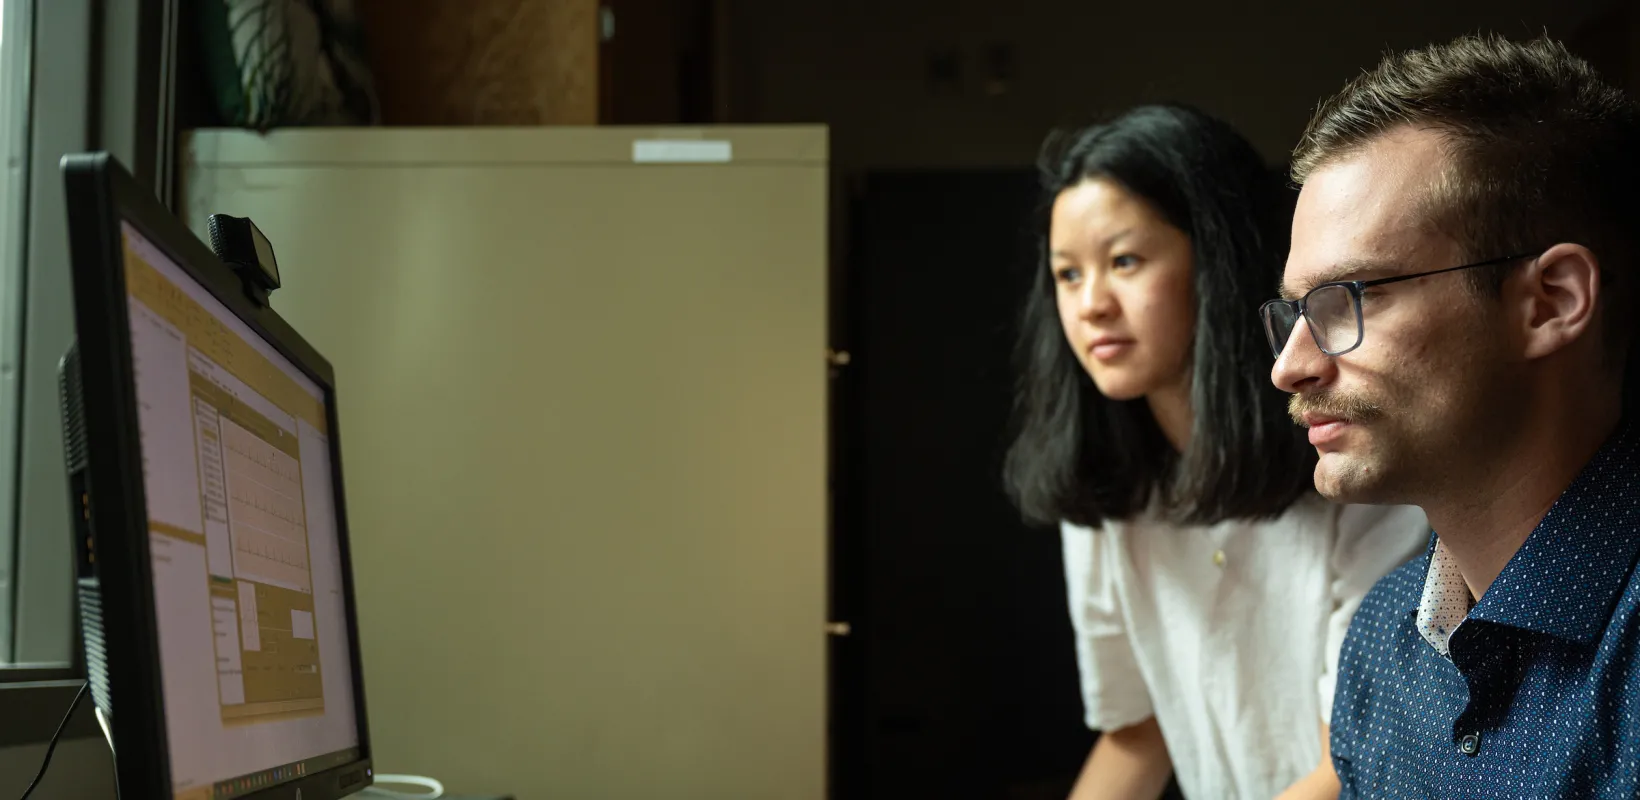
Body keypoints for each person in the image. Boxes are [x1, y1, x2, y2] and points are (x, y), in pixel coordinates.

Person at [1004, 104, 1429, 800]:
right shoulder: (1107, 495)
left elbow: (1348, 764)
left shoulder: (1350, 466)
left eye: (1123, 261)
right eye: (1068, 274)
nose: (1090, 304)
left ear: (1216, 261)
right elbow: (1137, 734)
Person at [1267, 34, 1640, 798]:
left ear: (1551, 301)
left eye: (1353, 298)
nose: (1290, 366)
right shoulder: (1383, 640)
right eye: (1298, 312)